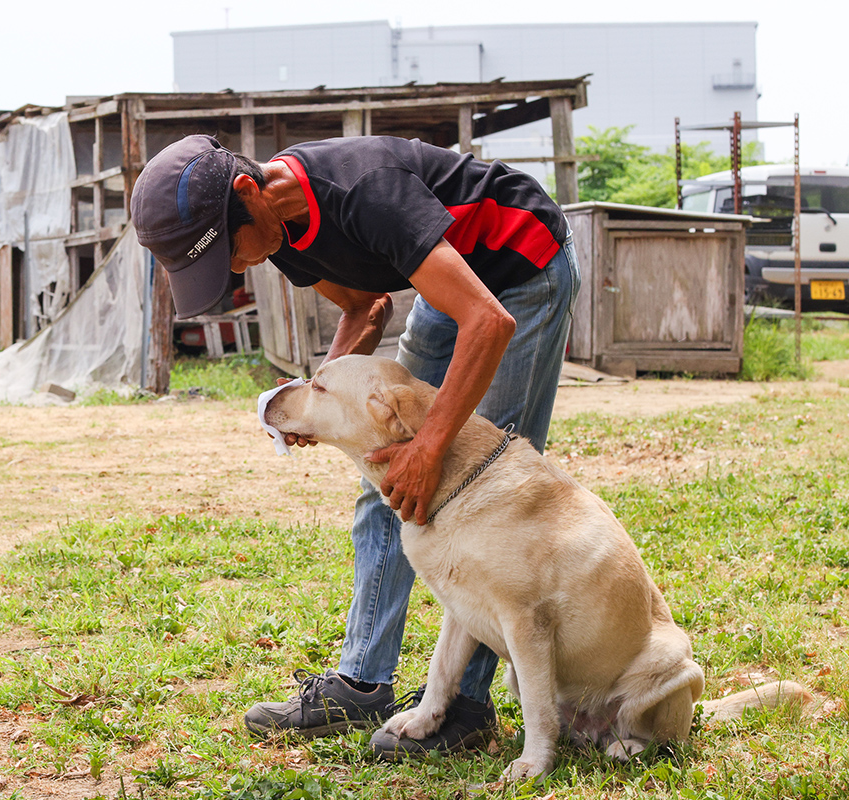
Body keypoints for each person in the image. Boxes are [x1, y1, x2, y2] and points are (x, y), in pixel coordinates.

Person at [131, 133, 580, 760]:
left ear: (247, 192)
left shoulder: (367, 195)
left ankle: (465, 709)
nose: (234, 267)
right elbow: (367, 307)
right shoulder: (280, 232)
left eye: (226, 249)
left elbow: (488, 321)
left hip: (521, 270)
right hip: (450, 288)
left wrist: (430, 444)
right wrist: (319, 404)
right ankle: (363, 683)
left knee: (480, 492)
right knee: (384, 477)